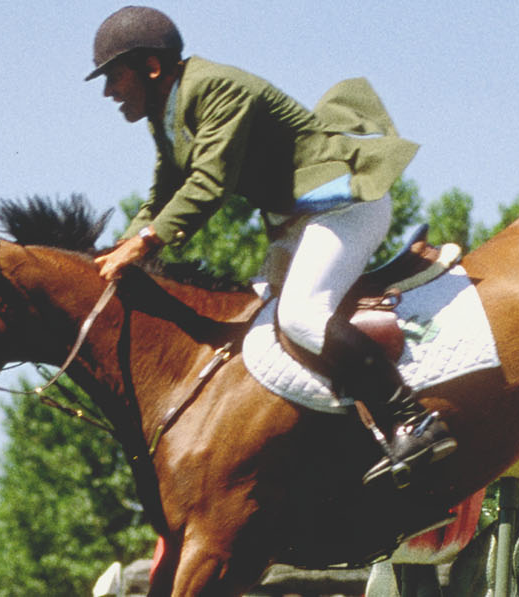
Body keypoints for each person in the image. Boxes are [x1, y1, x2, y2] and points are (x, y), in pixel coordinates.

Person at [84, 6, 453, 487]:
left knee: (301, 315)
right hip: (295, 222)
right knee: (254, 324)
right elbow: (163, 194)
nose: (110, 91)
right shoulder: (166, 111)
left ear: (151, 67)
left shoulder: (216, 88)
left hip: (342, 208)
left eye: (115, 76)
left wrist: (145, 244)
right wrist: (125, 245)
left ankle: (411, 419)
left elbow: (207, 185)